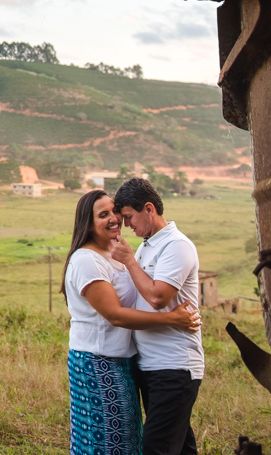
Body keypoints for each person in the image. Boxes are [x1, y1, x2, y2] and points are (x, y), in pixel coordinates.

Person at [62, 189, 201, 455]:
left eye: (116, 212)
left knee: (130, 441)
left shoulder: (122, 255)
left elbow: (152, 294)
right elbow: (115, 314)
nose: (116, 219)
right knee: (105, 441)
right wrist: (172, 319)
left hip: (128, 362)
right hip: (99, 361)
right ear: (88, 224)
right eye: (104, 215)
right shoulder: (86, 260)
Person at [109, 178, 205, 455]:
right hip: (151, 365)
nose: (127, 225)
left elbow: (157, 296)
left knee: (156, 447)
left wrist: (128, 261)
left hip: (174, 366)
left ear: (148, 208)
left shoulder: (177, 246)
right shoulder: (147, 245)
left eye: (129, 217)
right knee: (179, 446)